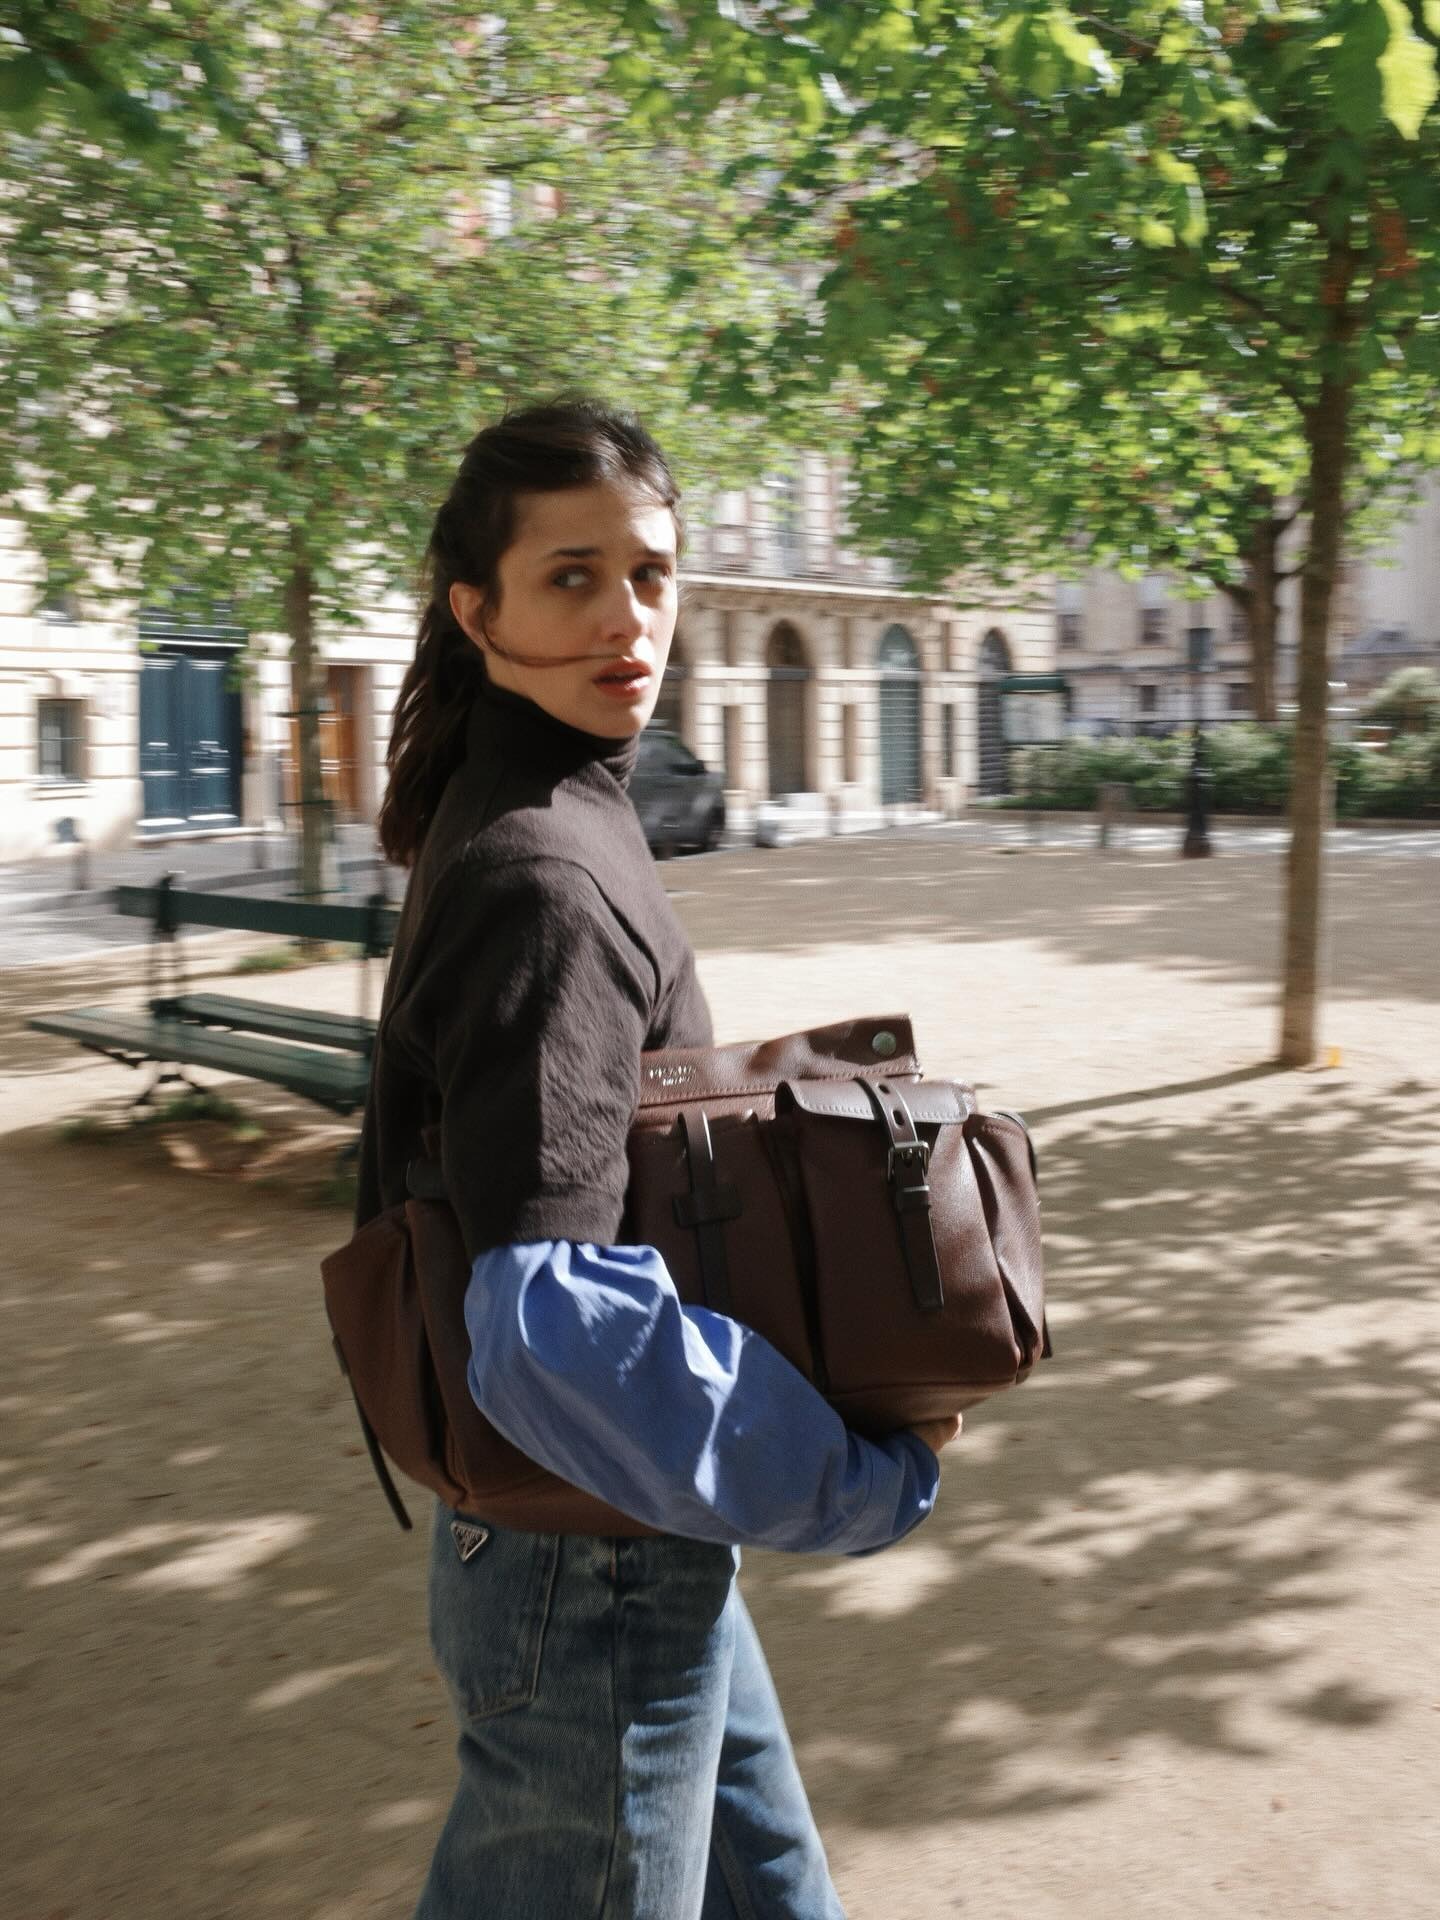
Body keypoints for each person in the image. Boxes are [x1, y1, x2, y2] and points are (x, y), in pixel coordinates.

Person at [356, 399, 961, 1920]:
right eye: (574, 576)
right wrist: (856, 1481)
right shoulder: (539, 872)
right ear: (474, 606)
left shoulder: (545, 806)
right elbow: (553, 1324)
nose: (631, 618)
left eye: (653, 573)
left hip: (617, 1539)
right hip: (593, 1558)